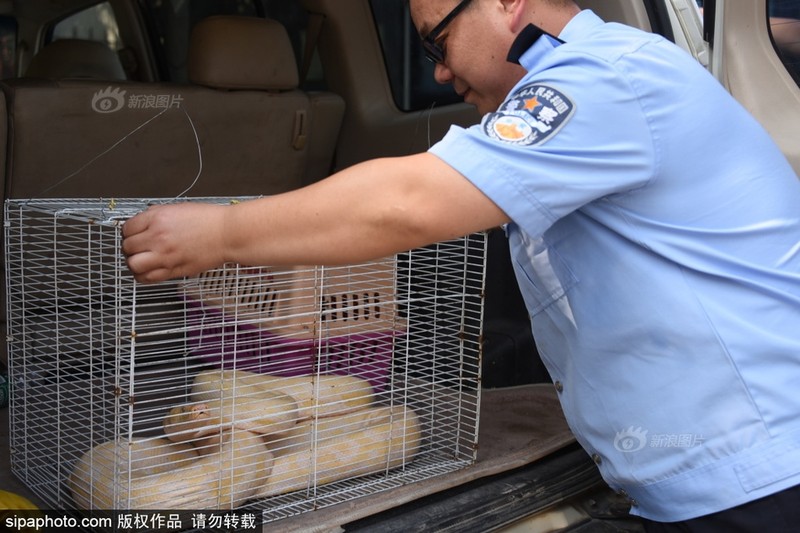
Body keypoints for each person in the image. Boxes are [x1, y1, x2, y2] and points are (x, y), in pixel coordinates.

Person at [123, 0, 800, 530]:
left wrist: (223, 230)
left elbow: (411, 202)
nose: (440, 71)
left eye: (435, 41)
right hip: (703, 480)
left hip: (760, 482)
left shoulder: (602, 78)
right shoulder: (588, 81)